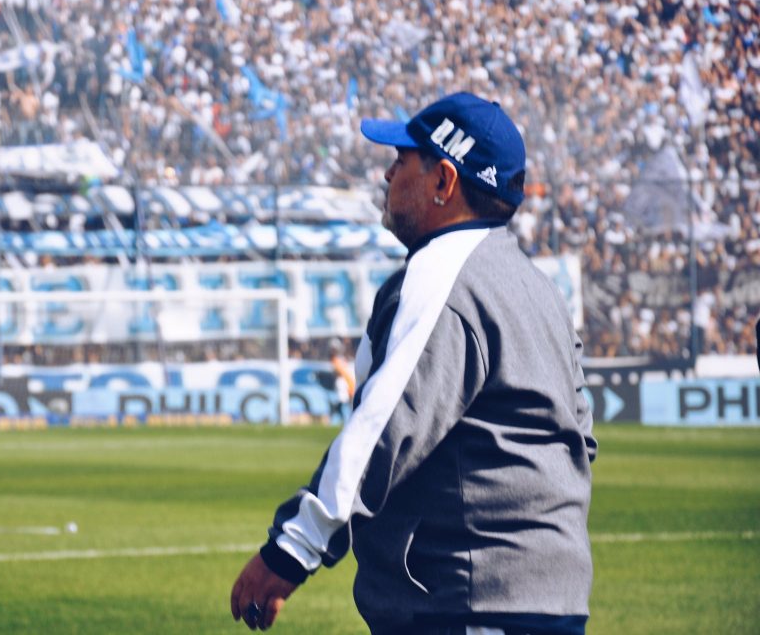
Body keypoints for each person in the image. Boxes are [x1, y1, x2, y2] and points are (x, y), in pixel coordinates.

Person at [230, 92, 597, 634]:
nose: (386, 174)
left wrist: (292, 549)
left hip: (469, 599)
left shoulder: (442, 275)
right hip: (548, 598)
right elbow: (580, 437)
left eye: (401, 160)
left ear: (444, 182)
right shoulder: (535, 286)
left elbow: (382, 429)